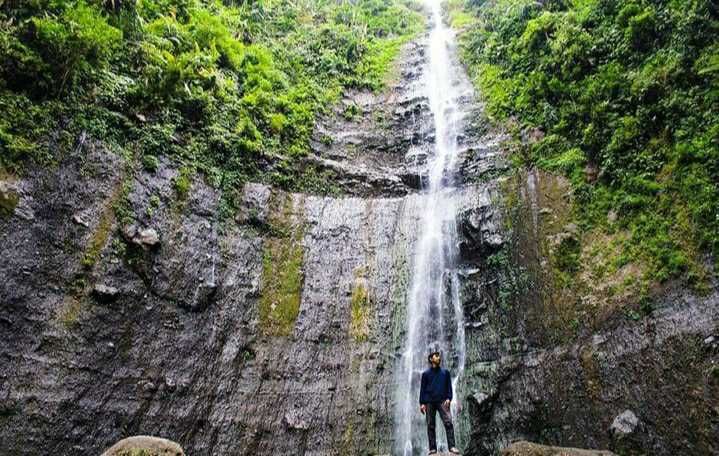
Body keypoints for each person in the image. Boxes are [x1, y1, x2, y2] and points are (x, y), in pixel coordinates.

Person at [419, 350, 460, 454]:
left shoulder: (445, 372)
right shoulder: (425, 374)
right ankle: (432, 448)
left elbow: (449, 387)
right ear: (431, 359)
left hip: (442, 401)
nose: (438, 357)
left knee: (448, 422)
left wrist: (449, 398)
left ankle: (452, 447)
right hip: (429, 402)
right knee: (430, 425)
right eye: (436, 356)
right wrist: (422, 404)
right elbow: (422, 390)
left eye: (438, 356)